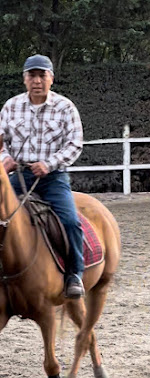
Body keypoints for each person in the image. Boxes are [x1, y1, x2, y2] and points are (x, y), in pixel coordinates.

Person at [0, 54, 85, 299]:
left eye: (41, 75)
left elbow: (74, 144)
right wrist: (5, 159)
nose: (37, 80)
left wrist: (49, 164)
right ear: (24, 79)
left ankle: (74, 274)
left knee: (70, 221)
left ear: (51, 79)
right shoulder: (11, 106)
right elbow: (0, 141)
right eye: (32, 75)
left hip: (53, 178)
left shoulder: (65, 107)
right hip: (19, 176)